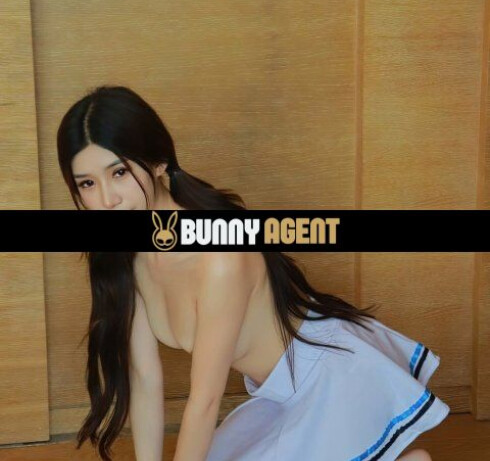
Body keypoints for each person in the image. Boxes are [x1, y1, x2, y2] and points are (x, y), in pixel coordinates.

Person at [57, 85, 450, 461]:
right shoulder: (128, 259)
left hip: (329, 385)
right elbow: (145, 378)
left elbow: (206, 399)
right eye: (87, 184)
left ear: (159, 163)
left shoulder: (220, 257)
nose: (106, 200)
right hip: (276, 399)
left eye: (119, 173)